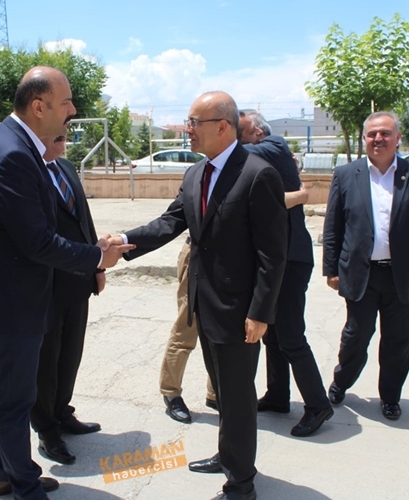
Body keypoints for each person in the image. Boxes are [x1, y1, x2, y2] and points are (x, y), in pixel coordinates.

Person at [0, 66, 132, 499]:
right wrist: (97, 256)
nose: (72, 110)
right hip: (10, 301)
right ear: (39, 106)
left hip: (3, 295)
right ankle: (23, 485)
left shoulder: (11, 143)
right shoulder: (15, 154)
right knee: (15, 398)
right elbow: (37, 241)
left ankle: (2, 472)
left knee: (2, 390)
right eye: (66, 102)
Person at [114, 91, 288, 500]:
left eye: (194, 123)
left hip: (240, 312)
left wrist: (260, 312)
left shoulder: (258, 174)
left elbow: (272, 254)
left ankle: (241, 485)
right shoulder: (196, 174)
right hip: (203, 305)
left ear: (222, 127)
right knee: (224, 396)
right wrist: (122, 241)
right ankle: (229, 456)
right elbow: (170, 222)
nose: (187, 130)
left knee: (238, 400)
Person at [323, 110, 409, 420]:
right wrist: (331, 268)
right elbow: (333, 226)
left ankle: (390, 397)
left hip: (402, 275)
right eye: (372, 134)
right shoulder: (346, 174)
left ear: (398, 138)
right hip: (360, 273)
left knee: (397, 340)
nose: (378, 139)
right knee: (355, 336)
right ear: (365, 138)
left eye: (385, 133)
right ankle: (341, 381)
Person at [239, 111, 332, 436]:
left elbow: (234, 155)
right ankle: (278, 395)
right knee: (274, 334)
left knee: (291, 335)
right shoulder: (260, 158)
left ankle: (318, 405)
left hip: (291, 258)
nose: (234, 137)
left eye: (239, 130)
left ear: (257, 131)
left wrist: (218, 144)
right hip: (276, 259)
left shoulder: (275, 144)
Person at [31, 135, 103, 465]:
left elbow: (83, 218)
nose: (63, 141)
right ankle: (46, 429)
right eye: (58, 136)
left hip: (77, 280)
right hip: (46, 284)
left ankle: (62, 412)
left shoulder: (66, 168)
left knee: (70, 354)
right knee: (46, 361)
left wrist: (97, 266)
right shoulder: (29, 172)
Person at [159, 238, 218, 424]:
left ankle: (216, 393)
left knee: (220, 331)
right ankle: (171, 392)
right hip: (199, 254)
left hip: (228, 258)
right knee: (187, 327)